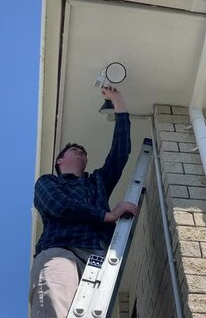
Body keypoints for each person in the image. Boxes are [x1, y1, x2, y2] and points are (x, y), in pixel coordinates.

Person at [29, 87, 138, 318]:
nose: (81, 152)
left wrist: (118, 102)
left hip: (99, 260)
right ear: (59, 160)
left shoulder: (97, 181)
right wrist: (106, 215)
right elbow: (59, 206)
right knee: (54, 307)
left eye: (84, 152)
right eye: (74, 150)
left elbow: (121, 152)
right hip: (62, 252)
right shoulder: (47, 182)